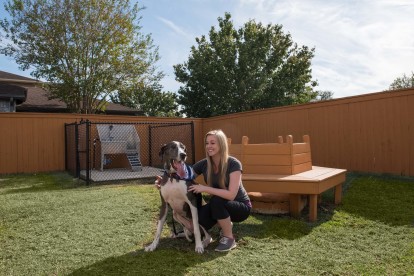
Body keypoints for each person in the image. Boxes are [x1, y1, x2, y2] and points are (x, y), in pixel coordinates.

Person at [188, 129, 251, 252]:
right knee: (198, 221)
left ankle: (229, 238)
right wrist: (166, 181)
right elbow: (185, 177)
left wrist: (205, 188)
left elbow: (231, 195)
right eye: (207, 143)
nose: (209, 146)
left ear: (221, 144)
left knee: (217, 201)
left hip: (240, 206)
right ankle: (225, 223)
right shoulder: (204, 164)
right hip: (218, 204)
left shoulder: (234, 164)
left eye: (213, 143)